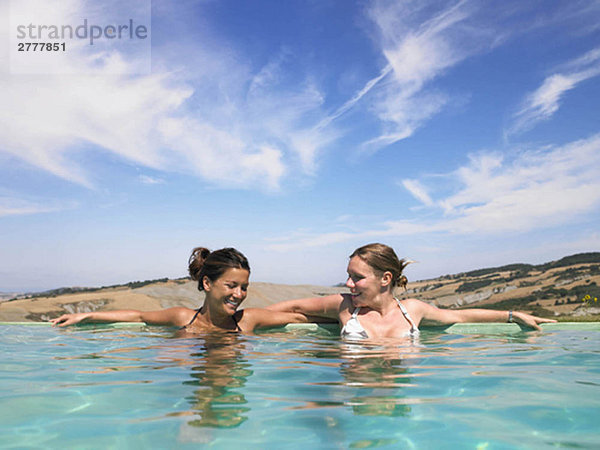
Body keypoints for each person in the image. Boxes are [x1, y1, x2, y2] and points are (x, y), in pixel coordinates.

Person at [267, 243, 556, 340]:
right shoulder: (345, 307)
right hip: (353, 393)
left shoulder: (412, 311)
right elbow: (293, 307)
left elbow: (461, 316)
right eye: (348, 277)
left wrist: (512, 314)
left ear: (385, 279)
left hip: (402, 389)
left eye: (357, 278)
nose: (348, 284)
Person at [50, 247, 310, 333]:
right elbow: (138, 316)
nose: (239, 294)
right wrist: (84, 316)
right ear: (207, 283)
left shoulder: (248, 320)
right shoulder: (183, 319)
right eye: (231, 286)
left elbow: (298, 317)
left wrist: (349, 315)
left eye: (244, 287)